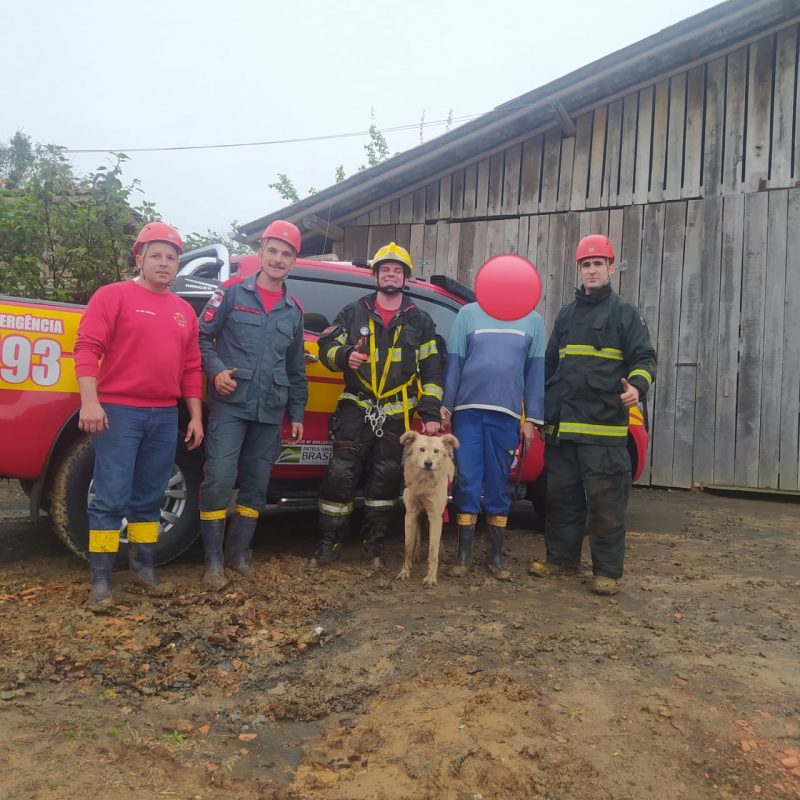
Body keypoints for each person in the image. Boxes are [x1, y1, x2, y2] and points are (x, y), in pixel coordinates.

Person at [75, 222, 204, 611]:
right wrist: (90, 401)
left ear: (178, 263)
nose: (164, 264)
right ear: (140, 259)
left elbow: (192, 368)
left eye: (171, 257)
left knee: (150, 496)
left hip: (164, 415)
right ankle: (100, 579)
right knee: (110, 496)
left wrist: (195, 417)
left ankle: (144, 569)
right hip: (118, 412)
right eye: (156, 256)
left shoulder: (184, 311)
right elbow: (86, 348)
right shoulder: (113, 296)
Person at [529, 234, 656, 595]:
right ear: (579, 270)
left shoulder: (624, 313)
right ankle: (560, 561)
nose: (592, 270)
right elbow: (550, 365)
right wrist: (540, 412)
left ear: (611, 268)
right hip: (564, 431)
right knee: (562, 500)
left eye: (598, 263)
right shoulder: (567, 315)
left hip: (604, 430)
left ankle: (607, 572)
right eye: (586, 264)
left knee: (606, 504)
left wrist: (637, 387)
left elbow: (645, 358)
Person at [312, 242, 443, 568]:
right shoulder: (353, 311)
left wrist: (429, 413)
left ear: (405, 278)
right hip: (356, 409)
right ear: (375, 275)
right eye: (385, 269)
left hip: (396, 415)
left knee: (385, 481)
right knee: (340, 476)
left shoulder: (420, 321)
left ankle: (374, 548)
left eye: (397, 270)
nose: (391, 274)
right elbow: (325, 348)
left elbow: (432, 370)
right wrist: (344, 356)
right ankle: (329, 545)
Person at [197, 221, 307, 587]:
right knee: (219, 480)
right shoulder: (230, 293)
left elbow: (295, 368)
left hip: (270, 410)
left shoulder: (293, 311)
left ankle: (238, 554)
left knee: (257, 485)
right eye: (272, 251)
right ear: (260, 253)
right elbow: (202, 337)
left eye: (286, 253)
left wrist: (296, 414)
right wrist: (215, 372)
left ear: (294, 261)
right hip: (231, 405)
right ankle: (212, 562)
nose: (278, 259)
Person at [441, 286, 545, 580]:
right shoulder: (467, 314)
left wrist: (532, 419)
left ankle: (496, 557)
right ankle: (464, 556)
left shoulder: (533, 320)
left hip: (507, 416)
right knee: (467, 479)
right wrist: (447, 405)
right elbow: (455, 363)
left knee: (499, 482)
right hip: (467, 413)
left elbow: (535, 373)